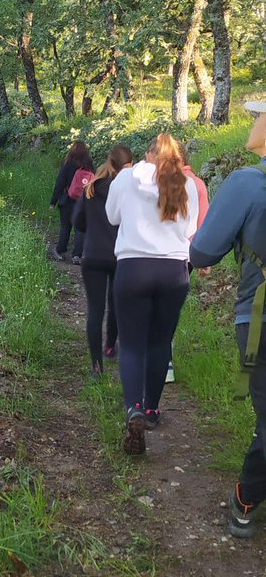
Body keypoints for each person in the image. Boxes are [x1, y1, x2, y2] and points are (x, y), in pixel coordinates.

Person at [190, 109, 266, 538]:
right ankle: (247, 494)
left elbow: (202, 253)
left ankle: (247, 495)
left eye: (258, 117)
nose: (251, 123)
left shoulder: (247, 183)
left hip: (259, 318)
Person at [106, 133, 199, 454]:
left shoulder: (126, 179)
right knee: (160, 343)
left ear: (147, 155)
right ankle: (152, 411)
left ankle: (133, 408)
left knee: (131, 345)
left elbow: (111, 217)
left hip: (133, 267)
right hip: (174, 270)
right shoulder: (186, 185)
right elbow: (190, 232)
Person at [74, 144, 133, 375]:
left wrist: (93, 229)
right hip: (120, 254)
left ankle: (96, 365)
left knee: (95, 310)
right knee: (116, 304)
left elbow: (78, 221)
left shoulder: (91, 187)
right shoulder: (128, 191)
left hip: (93, 254)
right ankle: (110, 347)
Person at [165, 143, 210, 382]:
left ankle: (155, 356)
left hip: (159, 253)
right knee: (171, 307)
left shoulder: (158, 181)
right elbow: (204, 222)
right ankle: (166, 361)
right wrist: (204, 259)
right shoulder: (198, 184)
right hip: (187, 255)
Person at [49, 141, 95, 262]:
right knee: (80, 228)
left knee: (65, 227)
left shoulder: (68, 163)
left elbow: (60, 183)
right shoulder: (89, 164)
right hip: (83, 201)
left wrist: (53, 201)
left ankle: (60, 250)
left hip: (66, 200)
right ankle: (77, 255)